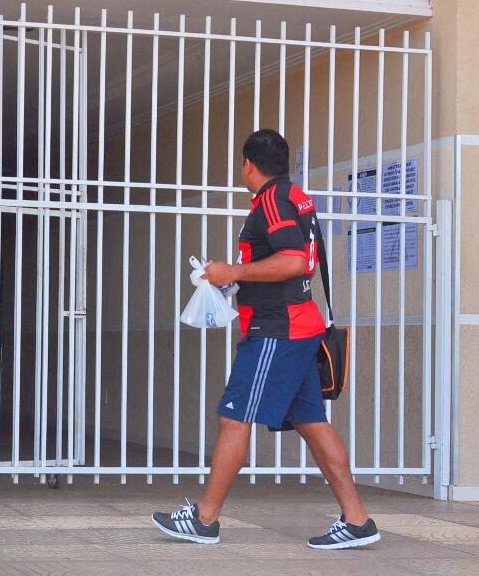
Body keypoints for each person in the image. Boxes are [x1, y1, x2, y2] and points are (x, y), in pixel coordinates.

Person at [152, 129, 380, 550]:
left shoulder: (274, 200)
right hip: (297, 327)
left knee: (234, 417)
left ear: (248, 165)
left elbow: (293, 261)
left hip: (279, 330)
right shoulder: (293, 196)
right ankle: (357, 520)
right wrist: (230, 282)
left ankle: (205, 520)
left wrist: (232, 273)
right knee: (314, 425)